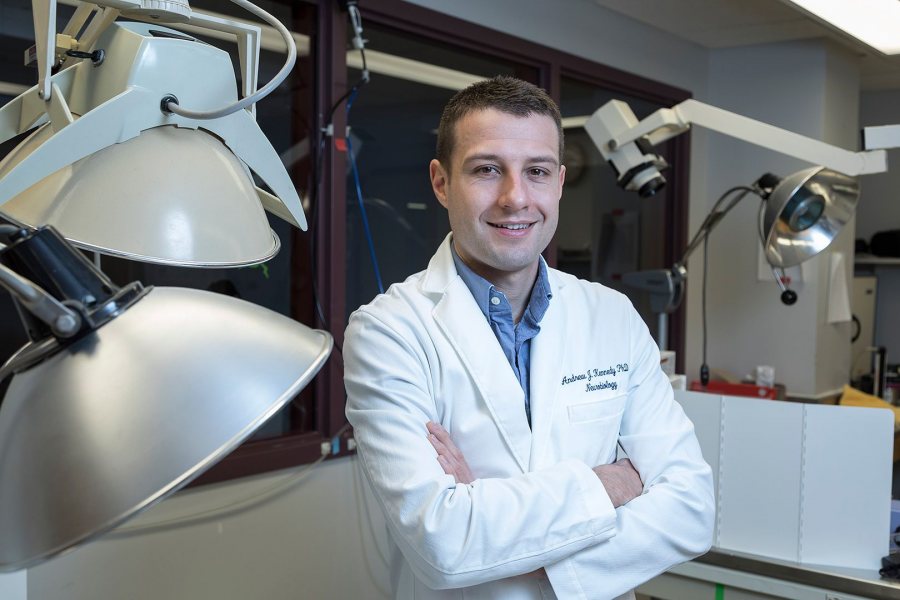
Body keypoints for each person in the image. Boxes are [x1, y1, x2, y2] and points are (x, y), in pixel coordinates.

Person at [343, 75, 714, 600]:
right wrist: (616, 483)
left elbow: (692, 510)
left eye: (536, 171)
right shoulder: (389, 332)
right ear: (441, 182)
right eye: (487, 169)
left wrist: (504, 532)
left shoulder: (612, 316)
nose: (515, 197)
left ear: (559, 183)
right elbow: (444, 545)